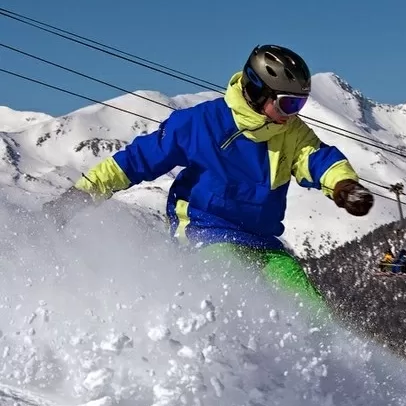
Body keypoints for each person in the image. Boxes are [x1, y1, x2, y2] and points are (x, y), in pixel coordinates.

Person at [42, 44, 374, 318]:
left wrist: (343, 186)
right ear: (259, 92)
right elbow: (135, 161)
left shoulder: (291, 132)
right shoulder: (201, 123)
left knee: (309, 307)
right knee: (233, 282)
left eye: (299, 103)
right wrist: (77, 198)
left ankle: (325, 377)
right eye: (288, 103)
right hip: (206, 230)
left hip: (262, 240)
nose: (293, 113)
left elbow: (316, 158)